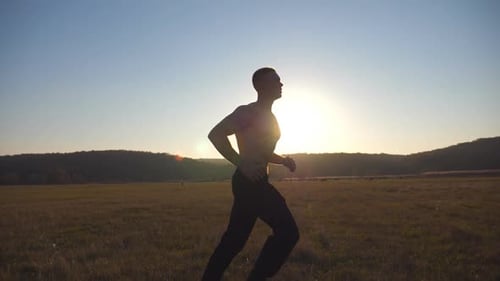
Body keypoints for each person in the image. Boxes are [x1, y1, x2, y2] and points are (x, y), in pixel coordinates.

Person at [201, 67, 299, 281]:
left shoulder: (271, 117)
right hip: (248, 183)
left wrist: (283, 160)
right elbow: (215, 134)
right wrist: (241, 163)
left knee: (234, 240)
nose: (281, 84)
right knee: (288, 232)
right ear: (262, 86)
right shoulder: (248, 112)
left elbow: (263, 151)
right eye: (276, 81)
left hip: (257, 182)